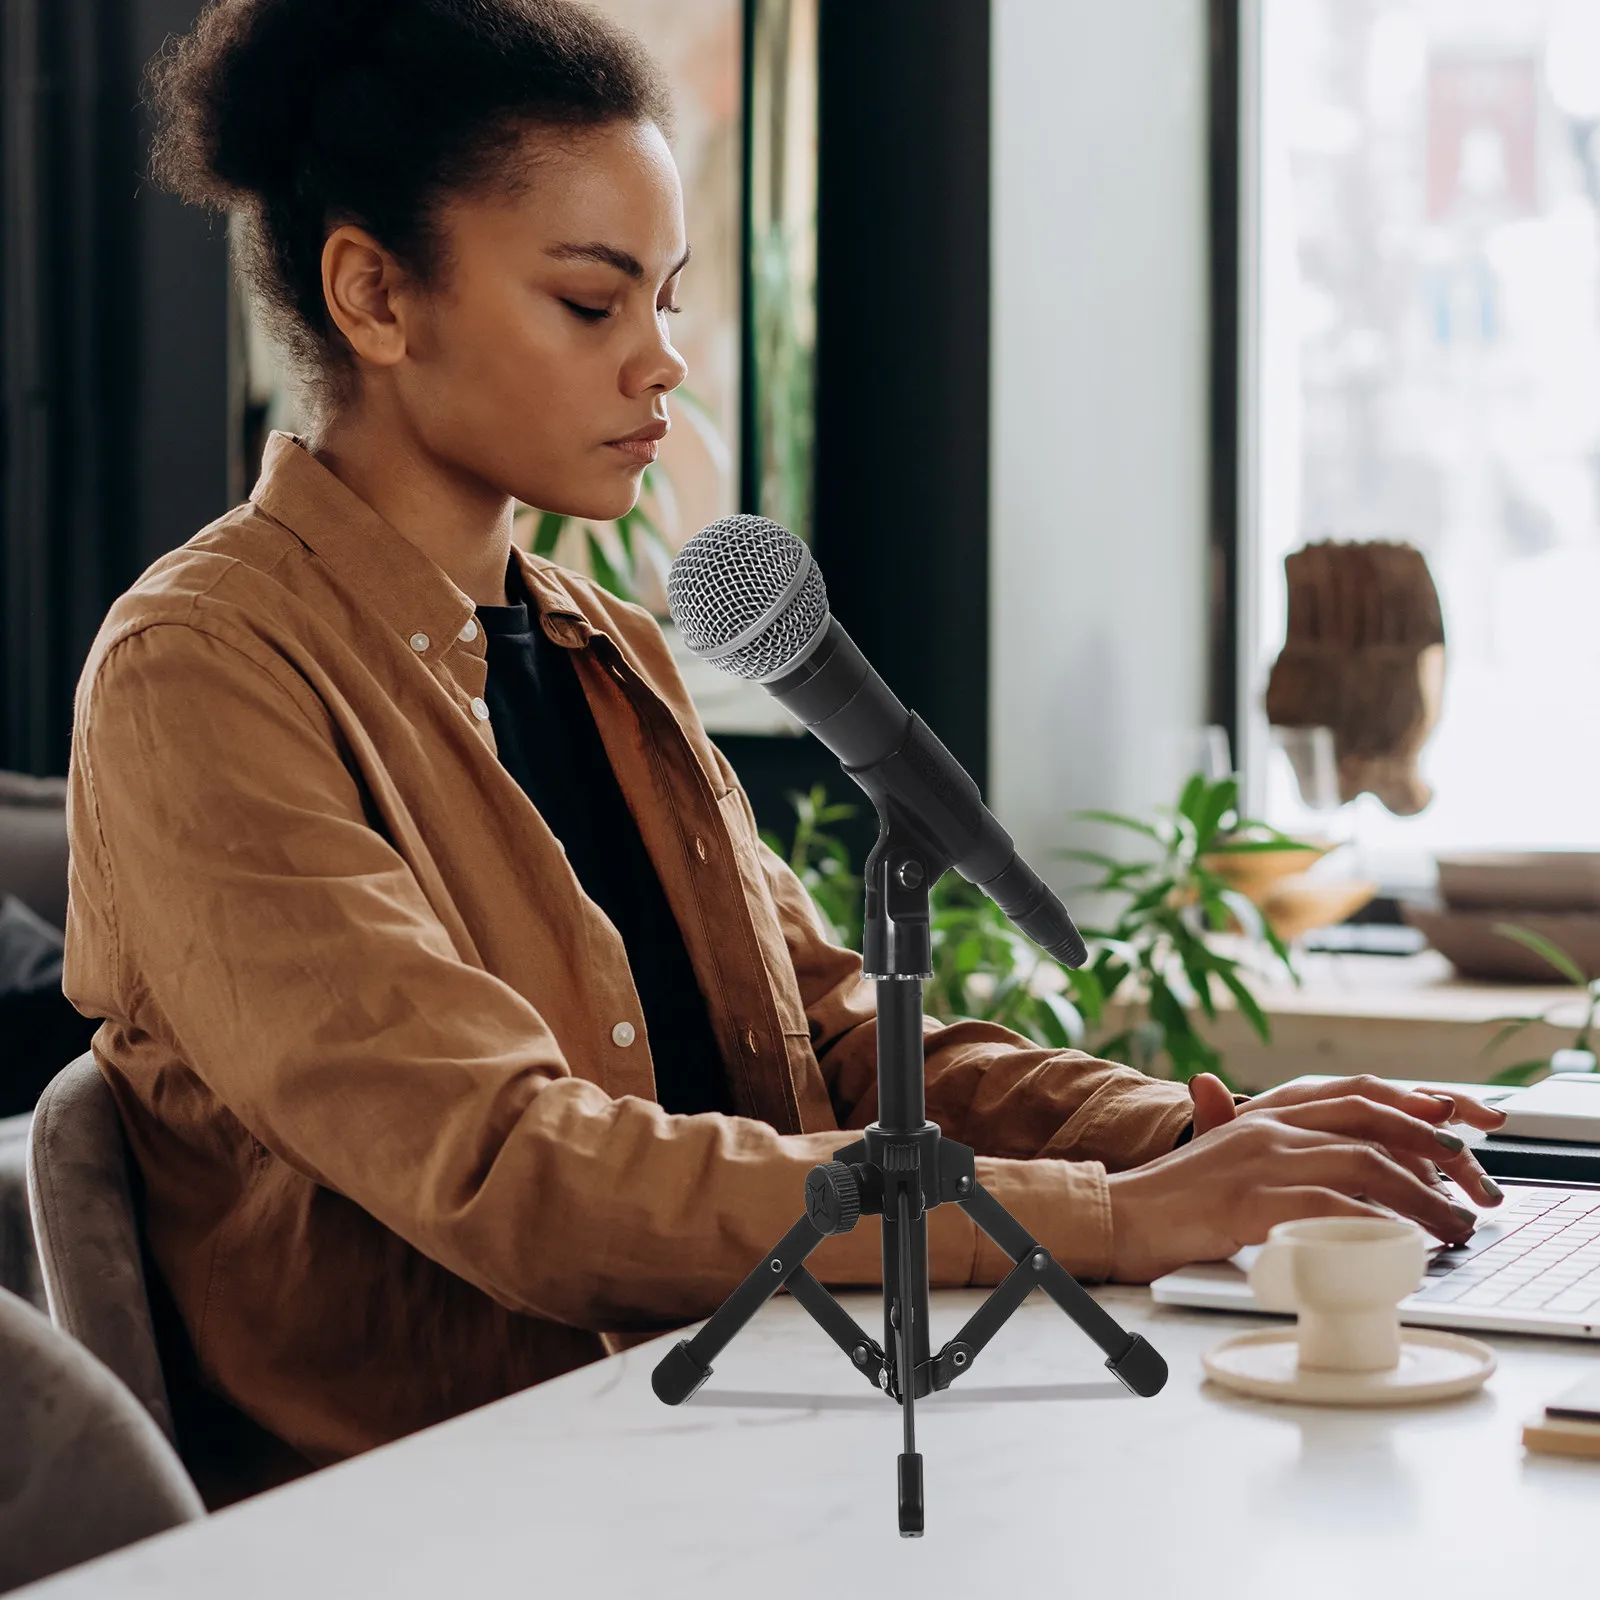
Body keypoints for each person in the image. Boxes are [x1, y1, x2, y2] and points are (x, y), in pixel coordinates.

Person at [61, 0, 1506, 1489]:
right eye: (591, 303)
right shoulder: (202, 674)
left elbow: (823, 1034)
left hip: (736, 1434)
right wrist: (1117, 1216)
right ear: (374, 294)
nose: (661, 363)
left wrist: (1185, 1140)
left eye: (667, 300)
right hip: (461, 1508)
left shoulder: (602, 644)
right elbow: (513, 1169)